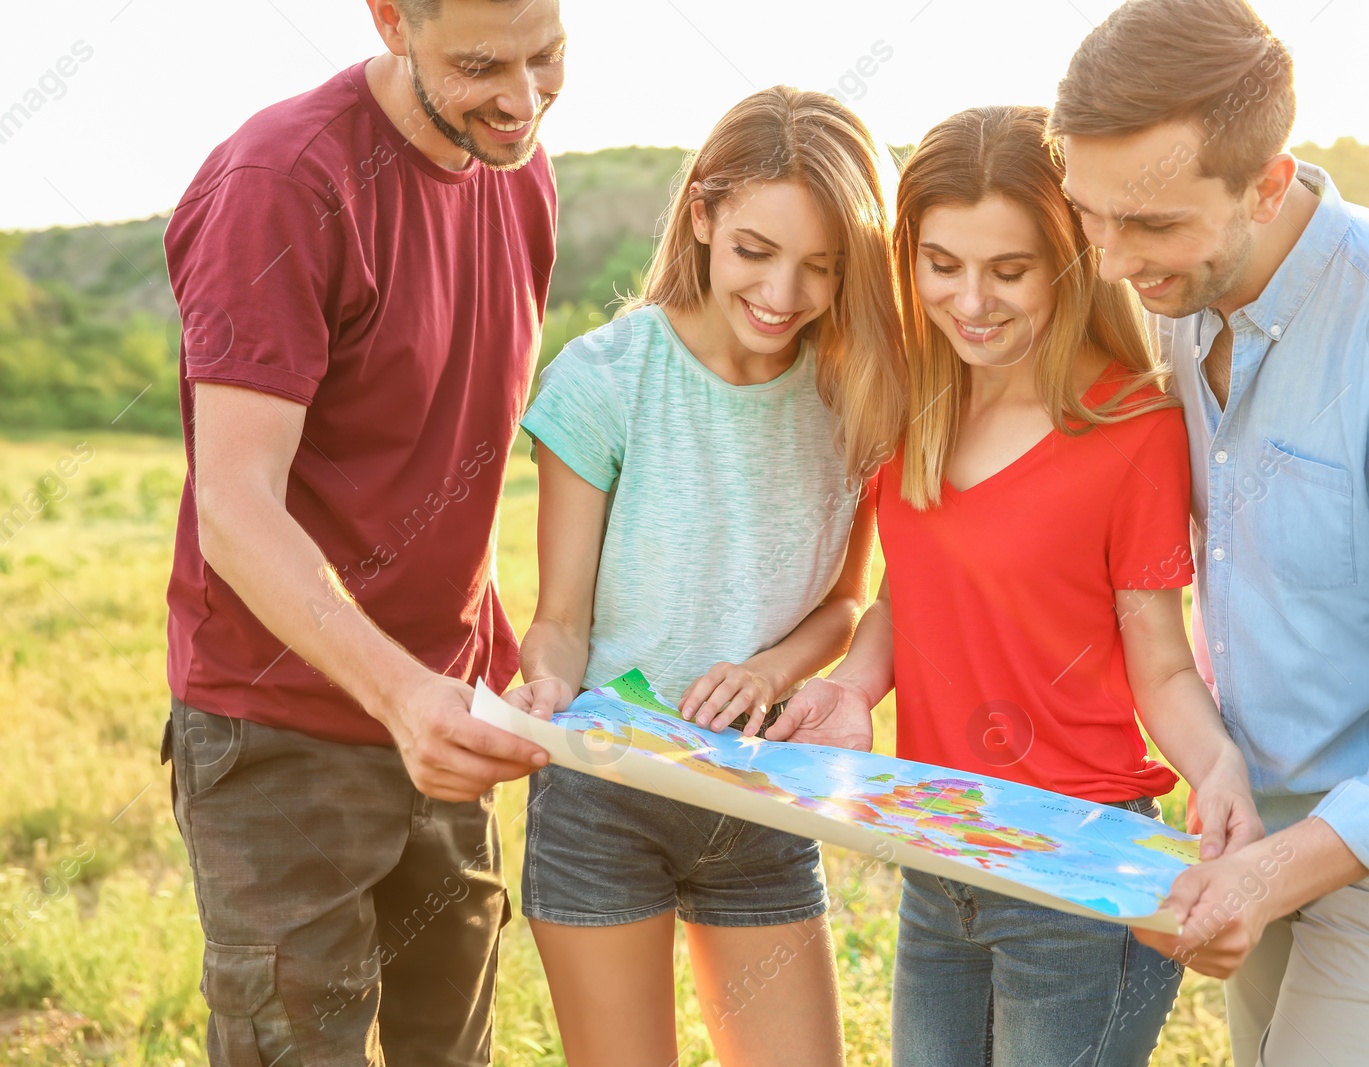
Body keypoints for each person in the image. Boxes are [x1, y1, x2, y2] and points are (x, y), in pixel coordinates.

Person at [1047, 1, 1369, 1063]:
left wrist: (1271, 873)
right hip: (1261, 811)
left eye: (1150, 226)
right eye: (1089, 214)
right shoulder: (1173, 291)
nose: (1110, 262)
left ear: (1268, 182)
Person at [769, 105, 1262, 1067]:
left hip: (1079, 869)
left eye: (1009, 269)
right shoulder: (921, 402)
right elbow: (907, 601)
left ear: (1073, 260)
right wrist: (850, 687)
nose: (972, 301)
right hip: (939, 848)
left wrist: (1218, 767)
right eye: (943, 264)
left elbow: (1159, 661)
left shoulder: (1132, 427)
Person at [161, 0, 563, 1061]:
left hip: (446, 719)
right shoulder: (283, 183)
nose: (522, 100)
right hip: (280, 731)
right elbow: (235, 502)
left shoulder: (522, 171)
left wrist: (486, 673)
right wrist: (400, 695)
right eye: (483, 65)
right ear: (392, 19)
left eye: (547, 56)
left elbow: (443, 448)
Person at [501, 86, 902, 1067]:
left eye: (821, 266)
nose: (782, 293)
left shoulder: (851, 394)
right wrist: (542, 688)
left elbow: (845, 602)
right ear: (704, 215)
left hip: (759, 787)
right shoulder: (605, 379)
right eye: (755, 252)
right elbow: (560, 618)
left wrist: (768, 670)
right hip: (606, 792)